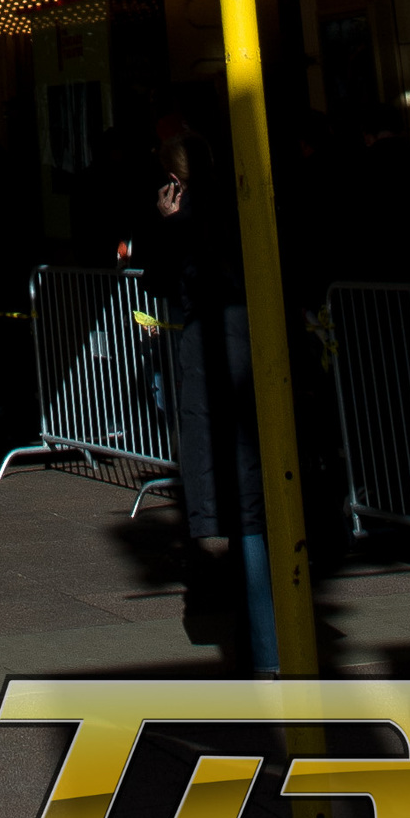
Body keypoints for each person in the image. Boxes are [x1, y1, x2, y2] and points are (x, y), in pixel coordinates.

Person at [146, 127, 280, 671]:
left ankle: (266, 644)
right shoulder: (243, 202)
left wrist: (168, 226)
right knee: (256, 496)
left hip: (216, 356)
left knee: (245, 503)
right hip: (254, 349)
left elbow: (166, 279)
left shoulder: (191, 221)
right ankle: (264, 635)